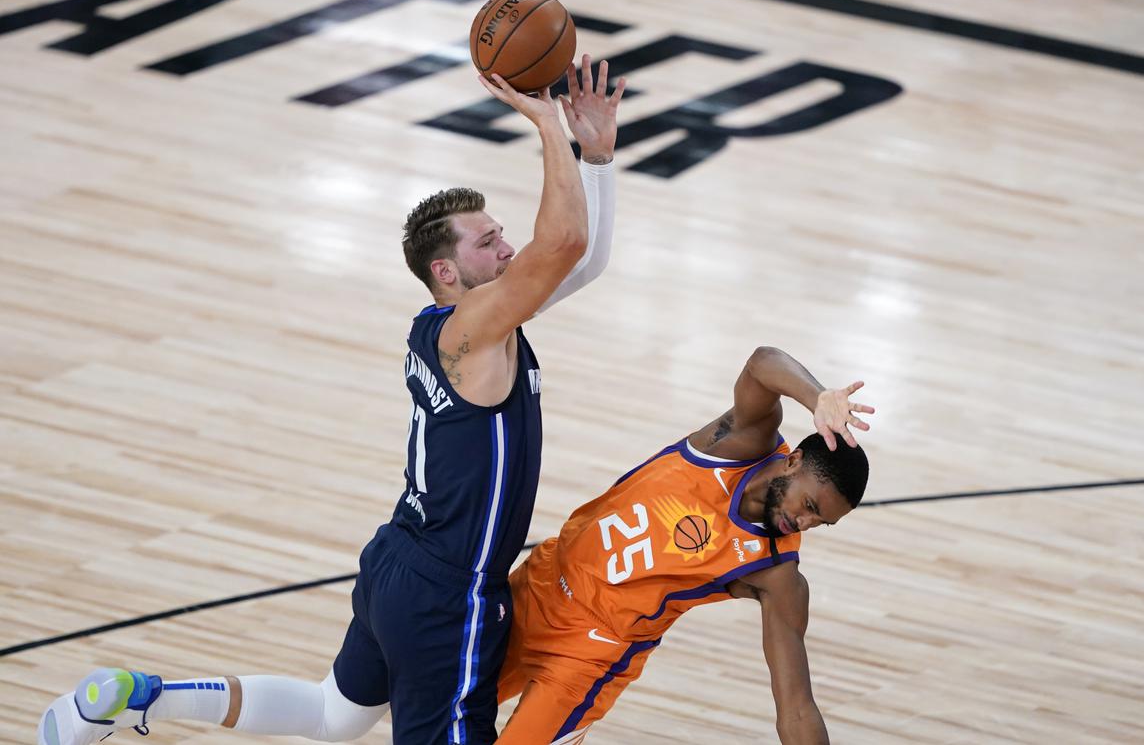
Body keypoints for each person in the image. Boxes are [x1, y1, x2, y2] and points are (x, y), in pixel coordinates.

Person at [37, 56, 627, 745]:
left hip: (399, 560)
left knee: (332, 716)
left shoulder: (459, 327)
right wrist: (550, 128)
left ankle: (142, 694)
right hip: (447, 594)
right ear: (446, 271)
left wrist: (598, 156)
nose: (507, 246)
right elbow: (565, 241)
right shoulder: (474, 329)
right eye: (488, 240)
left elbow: (580, 263)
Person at [495, 346, 873, 745]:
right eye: (810, 505)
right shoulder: (741, 442)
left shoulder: (778, 575)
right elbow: (762, 363)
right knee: (428, 710)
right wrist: (818, 397)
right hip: (539, 585)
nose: (804, 522)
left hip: (590, 654)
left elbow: (796, 708)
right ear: (793, 462)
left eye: (820, 522)